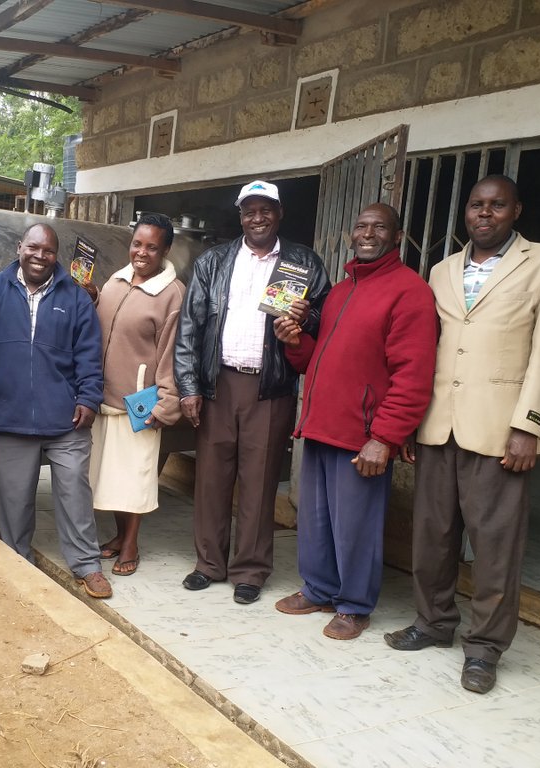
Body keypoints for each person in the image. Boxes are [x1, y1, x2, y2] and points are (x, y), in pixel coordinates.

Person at [384, 175, 540, 693]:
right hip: (437, 425)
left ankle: (485, 648)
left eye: (496, 205)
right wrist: (409, 419)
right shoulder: (443, 269)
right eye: (476, 205)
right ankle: (433, 623)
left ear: (517, 209)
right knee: (432, 535)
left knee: (495, 546)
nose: (484, 213)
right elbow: (426, 349)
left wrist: (528, 426)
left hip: (500, 429)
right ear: (465, 212)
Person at [271, 204, 438, 640]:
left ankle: (354, 606)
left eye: (379, 227)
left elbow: (413, 374)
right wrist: (295, 343)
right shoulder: (342, 291)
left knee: (356, 528)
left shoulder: (410, 292)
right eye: (361, 226)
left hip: (362, 435)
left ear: (397, 236)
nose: (368, 233)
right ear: (350, 235)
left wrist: (384, 437)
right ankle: (320, 588)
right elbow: (317, 361)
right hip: (322, 426)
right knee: (317, 519)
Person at [174, 180, 330, 604]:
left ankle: (251, 570)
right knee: (211, 478)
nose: (257, 218)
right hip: (217, 383)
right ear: (240, 216)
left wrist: (305, 318)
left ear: (279, 214)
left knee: (259, 481)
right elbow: (190, 327)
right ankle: (209, 563)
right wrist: (188, 387)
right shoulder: (214, 262)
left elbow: (324, 318)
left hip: (270, 386)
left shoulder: (303, 262)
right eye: (249, 211)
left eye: (265, 210)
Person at [0, 223, 112, 599]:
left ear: (55, 255)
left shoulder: (74, 297)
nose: (39, 256)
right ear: (20, 248)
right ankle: (16, 559)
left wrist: (88, 399)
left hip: (66, 419)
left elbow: (90, 355)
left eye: (48, 250)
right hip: (12, 415)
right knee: (14, 497)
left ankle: (87, 564)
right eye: (33, 247)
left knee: (74, 488)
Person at [87, 213, 185, 576]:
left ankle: (131, 544)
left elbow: (173, 351)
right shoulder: (117, 279)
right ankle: (117, 536)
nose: (141, 253)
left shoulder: (172, 294)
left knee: (134, 478)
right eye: (137, 244)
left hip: (140, 401)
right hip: (104, 396)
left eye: (152, 247)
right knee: (110, 476)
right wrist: (94, 296)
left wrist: (166, 402)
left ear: (166, 250)